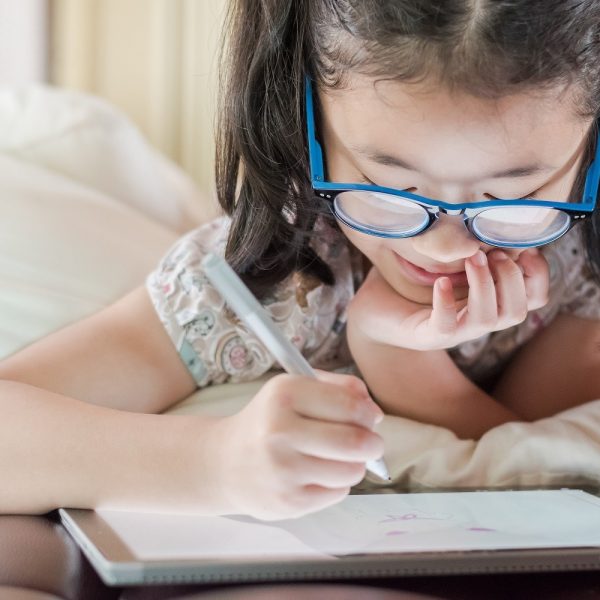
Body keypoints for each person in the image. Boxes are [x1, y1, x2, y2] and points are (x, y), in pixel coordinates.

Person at [1, 0, 600, 521]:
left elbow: (528, 459)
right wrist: (212, 465)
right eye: (386, 186)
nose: (442, 246)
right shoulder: (274, 280)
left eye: (516, 198)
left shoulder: (575, 260)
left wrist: (394, 355)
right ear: (307, 122)